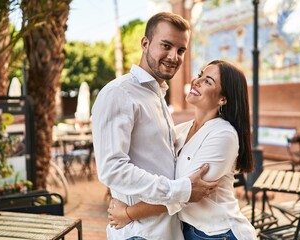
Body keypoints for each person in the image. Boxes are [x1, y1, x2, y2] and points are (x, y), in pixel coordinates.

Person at [91, 12, 218, 240]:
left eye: (180, 51)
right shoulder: (119, 93)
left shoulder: (157, 95)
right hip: (140, 233)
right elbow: (112, 169)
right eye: (166, 46)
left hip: (166, 230)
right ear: (145, 43)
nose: (173, 57)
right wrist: (181, 190)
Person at [108, 60, 257, 240]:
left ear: (222, 99)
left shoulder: (224, 135)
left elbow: (185, 194)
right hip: (187, 230)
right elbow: (177, 187)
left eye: (208, 81)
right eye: (200, 75)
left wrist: (129, 213)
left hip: (218, 233)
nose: (197, 81)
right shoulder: (181, 130)